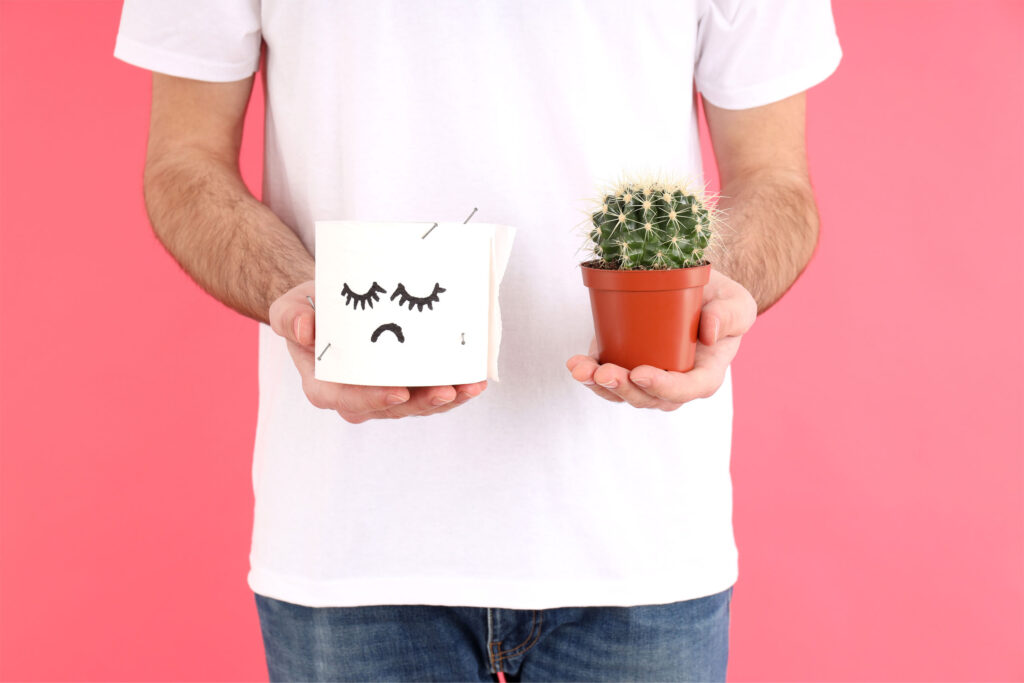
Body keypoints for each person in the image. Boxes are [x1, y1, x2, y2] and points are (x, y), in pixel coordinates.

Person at [115, 2, 841, 680]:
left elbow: (774, 179)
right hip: (351, 536)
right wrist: (303, 302)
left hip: (640, 537)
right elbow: (184, 160)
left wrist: (709, 302)